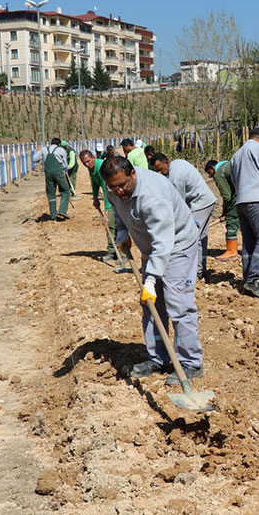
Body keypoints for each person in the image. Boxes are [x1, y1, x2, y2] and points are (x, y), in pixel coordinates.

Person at [101, 156, 204, 384]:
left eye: (122, 185)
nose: (118, 190)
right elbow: (119, 211)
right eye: (113, 187)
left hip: (177, 244)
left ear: (133, 174)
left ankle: (190, 363)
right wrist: (122, 232)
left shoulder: (152, 197)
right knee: (151, 303)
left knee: (178, 304)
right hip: (152, 248)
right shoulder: (114, 188)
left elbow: (164, 242)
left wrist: (151, 279)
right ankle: (158, 358)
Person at [228, 126, 259, 298]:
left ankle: (247, 280)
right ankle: (254, 280)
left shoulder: (237, 155)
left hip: (241, 201)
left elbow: (233, 179)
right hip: (258, 200)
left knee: (249, 242)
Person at [150, 153, 217, 281]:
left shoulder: (176, 177)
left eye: (160, 169)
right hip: (206, 201)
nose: (159, 173)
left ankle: (194, 272)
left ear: (167, 163)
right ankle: (200, 268)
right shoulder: (177, 163)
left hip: (200, 204)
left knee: (192, 237)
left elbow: (179, 204)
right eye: (156, 171)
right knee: (201, 237)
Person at [79, 149, 125, 266]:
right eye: (84, 163)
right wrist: (95, 198)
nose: (87, 164)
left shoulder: (102, 167)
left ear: (94, 157)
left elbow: (106, 191)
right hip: (110, 197)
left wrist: (107, 212)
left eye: (88, 161)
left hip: (117, 197)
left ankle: (123, 254)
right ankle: (112, 251)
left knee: (117, 225)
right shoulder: (92, 169)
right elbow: (95, 183)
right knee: (109, 226)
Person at [204, 159, 238, 261]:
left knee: (232, 219)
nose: (211, 176)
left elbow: (227, 197)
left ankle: (231, 251)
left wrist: (225, 212)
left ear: (212, 167)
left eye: (210, 173)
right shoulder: (228, 165)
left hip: (241, 195)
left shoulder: (219, 173)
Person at [32, 138, 70, 221]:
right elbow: (65, 164)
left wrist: (39, 154)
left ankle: (53, 215)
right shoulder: (61, 150)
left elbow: (34, 159)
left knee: (51, 193)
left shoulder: (44, 149)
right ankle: (62, 210)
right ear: (59, 144)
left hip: (48, 174)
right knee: (66, 190)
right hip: (58, 173)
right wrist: (66, 169)